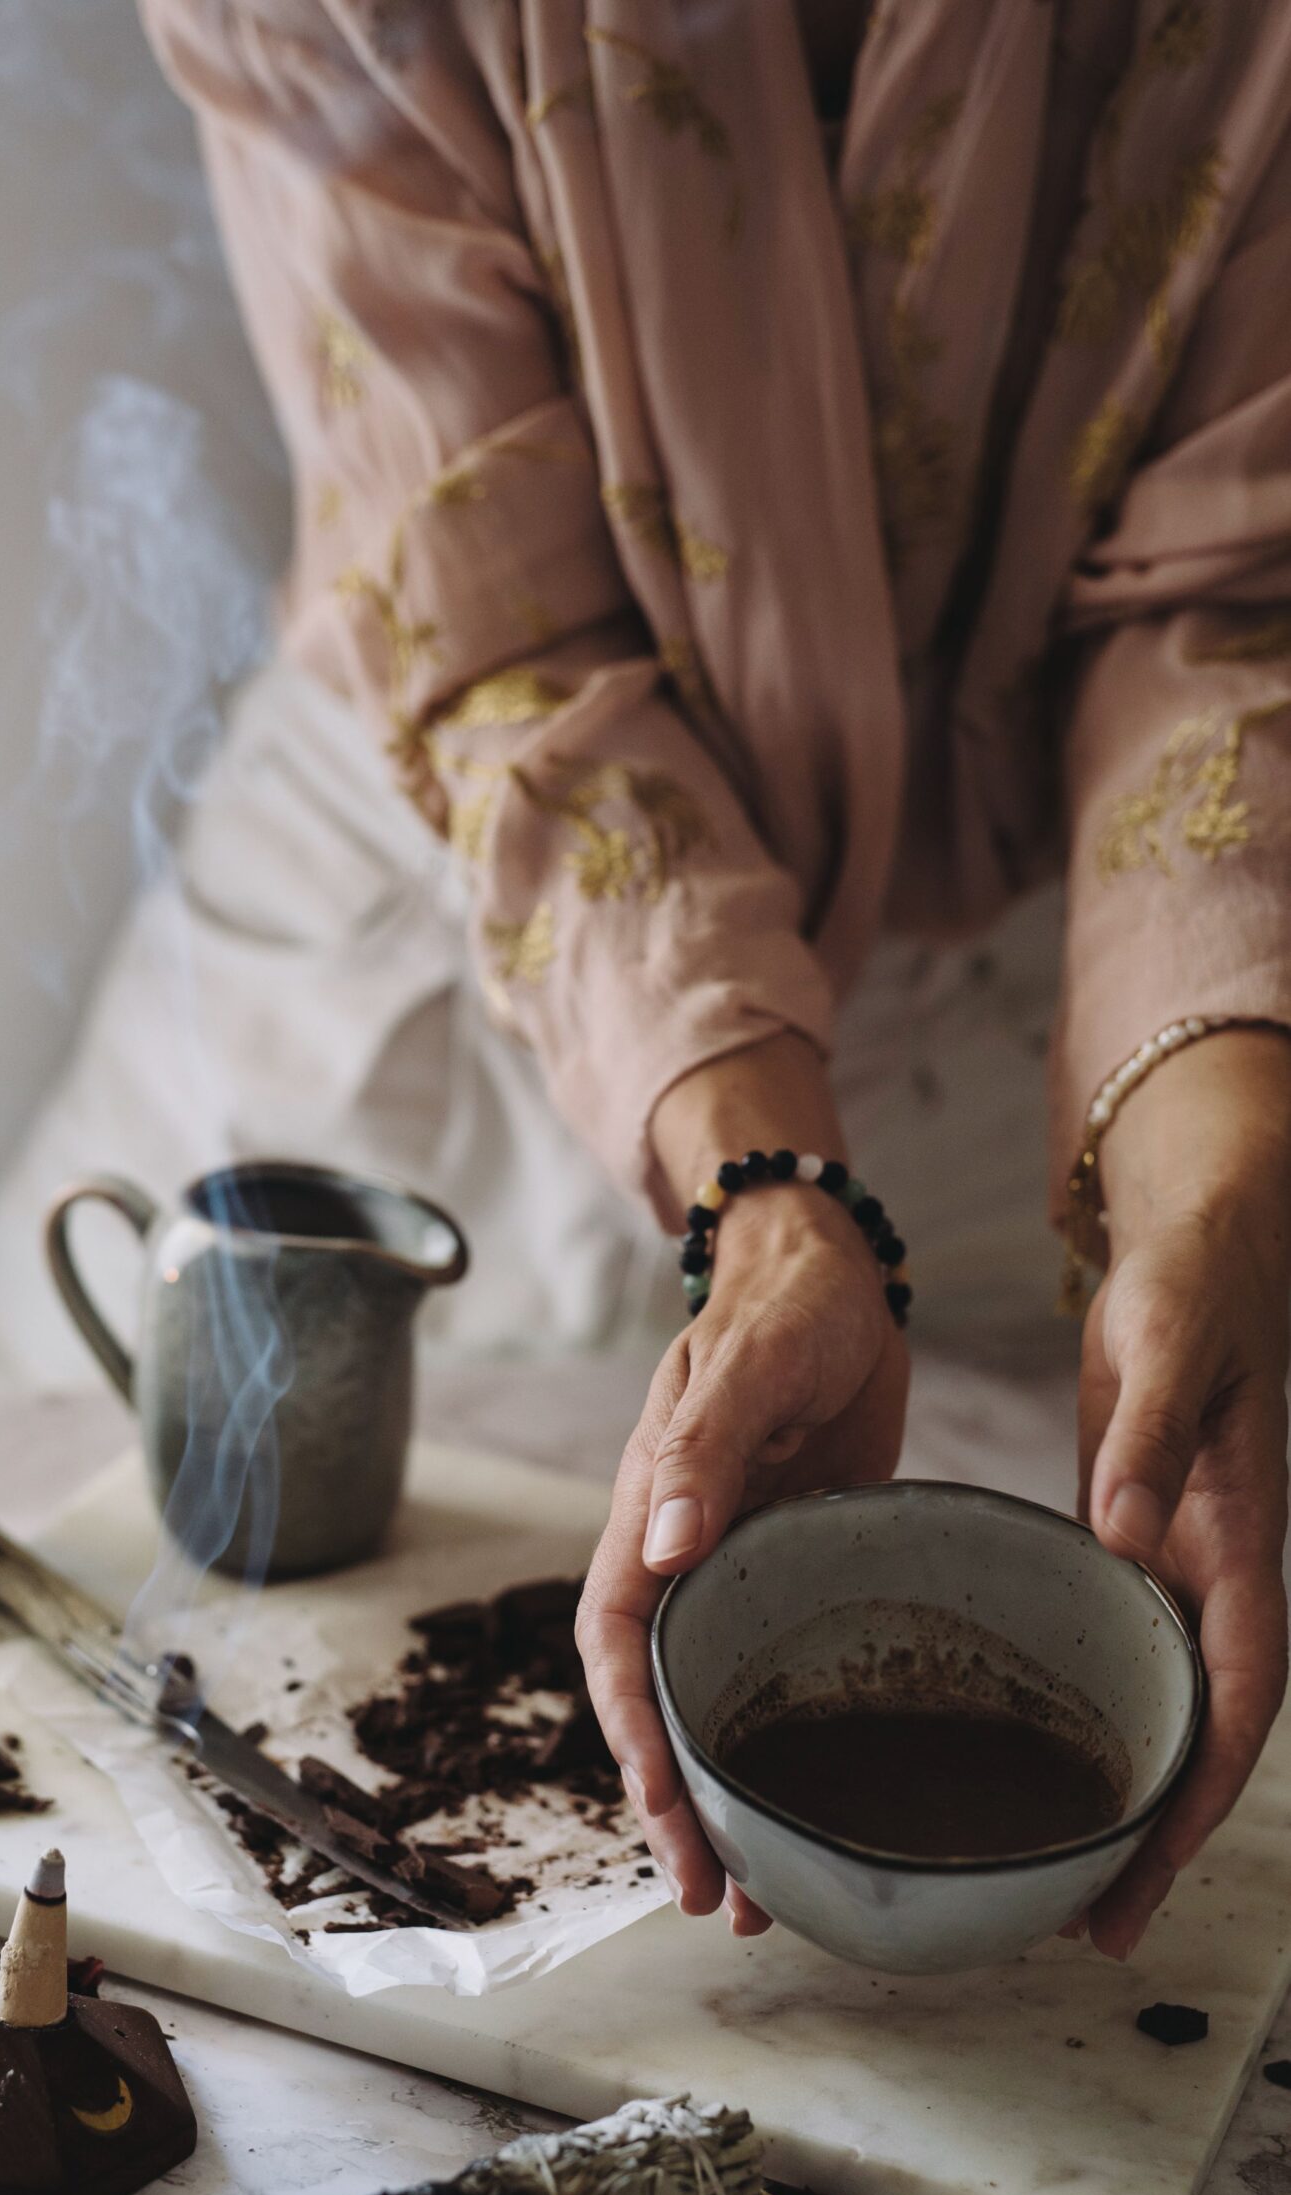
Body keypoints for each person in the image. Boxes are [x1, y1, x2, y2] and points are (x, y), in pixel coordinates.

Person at [132, 0, 1291, 1959]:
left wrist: (1214, 1187)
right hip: (454, 878)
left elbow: (1231, 598)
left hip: (1072, 968)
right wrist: (774, 1212)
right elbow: (502, 641)